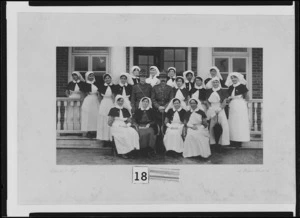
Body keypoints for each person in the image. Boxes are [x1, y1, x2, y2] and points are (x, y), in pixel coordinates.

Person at [151, 71, 174, 153]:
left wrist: (165, 107)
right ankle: (157, 148)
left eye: (164, 78)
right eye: (161, 78)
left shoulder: (170, 88)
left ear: (166, 79)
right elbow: (152, 99)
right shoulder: (154, 88)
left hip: (166, 111)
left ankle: (166, 148)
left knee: (165, 128)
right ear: (159, 79)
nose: (163, 79)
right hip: (157, 111)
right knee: (157, 129)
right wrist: (158, 106)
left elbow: (171, 99)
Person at [225, 72, 250, 148]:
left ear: (238, 78)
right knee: (233, 123)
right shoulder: (230, 87)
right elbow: (228, 97)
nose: (233, 79)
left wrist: (241, 100)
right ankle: (233, 140)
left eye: (234, 77)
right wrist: (229, 99)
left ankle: (239, 141)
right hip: (232, 106)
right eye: (232, 78)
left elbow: (247, 97)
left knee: (240, 123)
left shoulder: (242, 86)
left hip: (240, 106)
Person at [206, 77, 230, 151]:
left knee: (223, 125)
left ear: (219, 83)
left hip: (220, 109)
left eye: (217, 82)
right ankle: (213, 143)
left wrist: (220, 109)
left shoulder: (222, 91)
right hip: (212, 109)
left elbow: (225, 101)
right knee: (212, 126)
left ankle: (221, 143)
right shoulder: (209, 91)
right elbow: (207, 101)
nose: (215, 83)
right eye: (214, 82)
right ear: (212, 83)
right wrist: (210, 109)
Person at [96, 73, 115, 144]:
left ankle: (111, 138)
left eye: (108, 78)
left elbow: (115, 96)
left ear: (111, 79)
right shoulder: (101, 87)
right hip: (104, 103)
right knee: (104, 120)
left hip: (111, 103)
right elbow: (99, 96)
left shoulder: (114, 86)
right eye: (106, 78)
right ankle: (104, 139)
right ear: (104, 80)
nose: (107, 79)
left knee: (111, 119)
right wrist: (101, 104)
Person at [81, 71, 100, 138]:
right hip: (88, 100)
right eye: (89, 76)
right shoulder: (85, 84)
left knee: (95, 115)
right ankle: (88, 131)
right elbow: (83, 94)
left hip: (96, 100)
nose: (91, 77)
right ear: (87, 77)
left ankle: (95, 131)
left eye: (92, 75)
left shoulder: (97, 83)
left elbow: (100, 92)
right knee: (88, 116)